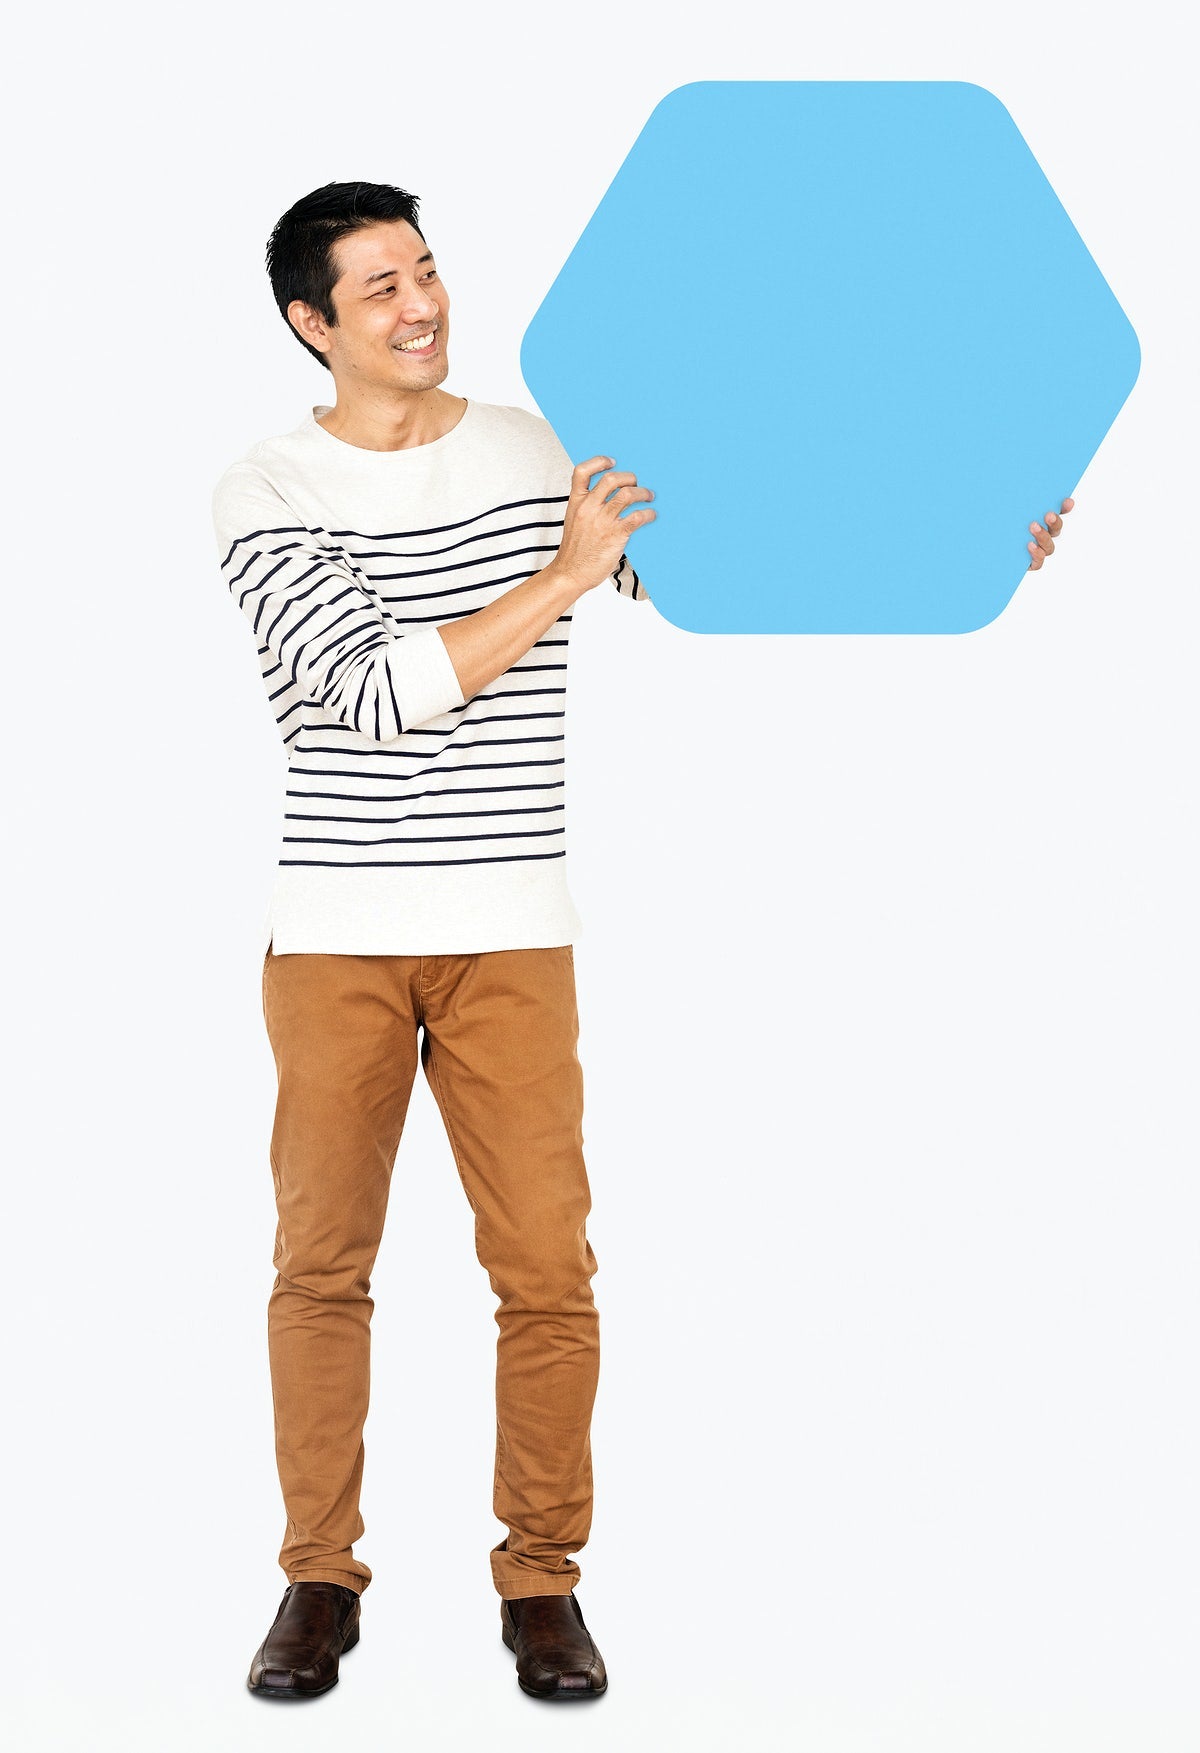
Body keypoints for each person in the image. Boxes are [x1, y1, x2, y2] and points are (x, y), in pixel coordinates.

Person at [210, 179, 657, 1704]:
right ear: (311, 322)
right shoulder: (264, 488)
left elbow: (733, 551)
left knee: (547, 1266)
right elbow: (379, 698)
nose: (423, 305)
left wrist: (995, 526)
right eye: (381, 287)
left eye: (430, 270)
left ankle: (543, 1581)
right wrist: (561, 575)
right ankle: (317, 1576)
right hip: (335, 933)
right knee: (321, 1266)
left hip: (512, 931)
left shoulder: (537, 451)